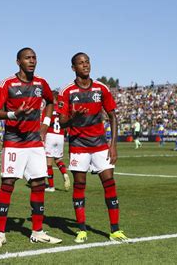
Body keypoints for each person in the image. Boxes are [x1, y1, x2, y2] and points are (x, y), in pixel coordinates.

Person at [0, 47, 62, 248]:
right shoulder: (7, 84)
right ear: (18, 61)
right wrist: (13, 115)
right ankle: (0, 233)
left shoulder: (41, 83)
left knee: (39, 183)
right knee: (8, 184)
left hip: (35, 142)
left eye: (34, 58)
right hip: (14, 141)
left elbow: (50, 101)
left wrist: (45, 124)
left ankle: (37, 231)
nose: (32, 61)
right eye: (27, 58)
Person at [59, 52, 128, 243]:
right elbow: (62, 122)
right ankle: (81, 230)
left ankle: (115, 230)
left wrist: (113, 145)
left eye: (87, 62)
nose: (85, 65)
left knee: (109, 183)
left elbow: (113, 116)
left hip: (99, 144)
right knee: (80, 185)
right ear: (73, 68)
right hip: (78, 146)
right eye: (81, 63)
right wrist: (74, 117)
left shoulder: (101, 88)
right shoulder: (66, 91)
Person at [43, 92, 71, 192]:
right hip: (60, 136)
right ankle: (64, 173)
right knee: (58, 159)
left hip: (50, 135)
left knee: (48, 163)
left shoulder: (48, 108)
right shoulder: (62, 109)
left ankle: (51, 186)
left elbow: (44, 123)